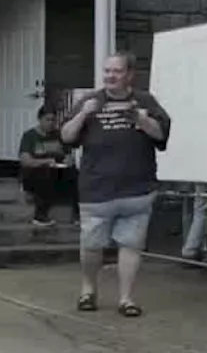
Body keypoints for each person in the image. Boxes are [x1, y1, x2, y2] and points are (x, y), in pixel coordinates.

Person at [60, 52, 171, 318]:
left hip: (137, 190)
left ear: (130, 74)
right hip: (97, 190)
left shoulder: (145, 101)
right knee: (91, 246)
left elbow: (162, 135)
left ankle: (126, 298)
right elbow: (65, 136)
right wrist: (83, 115)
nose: (110, 76)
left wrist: (142, 119)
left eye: (117, 71)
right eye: (107, 71)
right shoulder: (89, 101)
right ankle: (88, 290)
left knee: (131, 245)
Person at [18, 105, 79, 226]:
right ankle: (40, 215)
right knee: (45, 173)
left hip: (57, 172)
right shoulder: (30, 136)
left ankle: (78, 215)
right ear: (40, 119)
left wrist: (68, 160)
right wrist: (45, 162)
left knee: (76, 175)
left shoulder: (58, 135)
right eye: (48, 119)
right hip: (35, 173)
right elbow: (25, 161)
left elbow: (67, 154)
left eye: (53, 120)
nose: (51, 123)